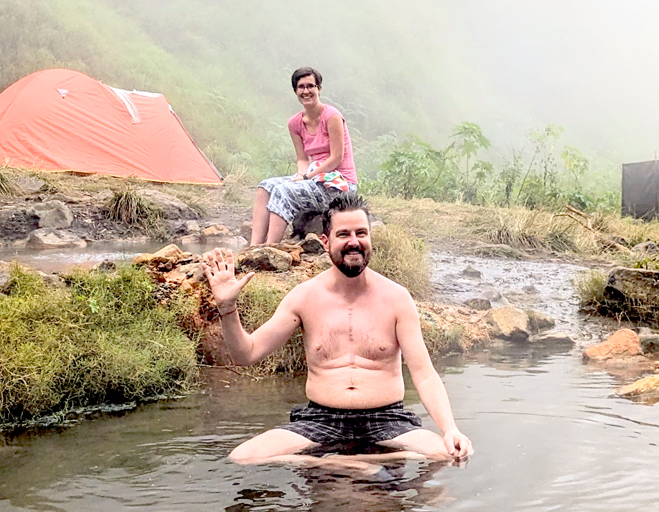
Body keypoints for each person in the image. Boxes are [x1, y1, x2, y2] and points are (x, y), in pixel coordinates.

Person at [201, 194, 472, 470]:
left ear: (370, 239)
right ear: (325, 242)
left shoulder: (397, 298)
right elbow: (246, 353)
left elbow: (424, 375)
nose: (354, 241)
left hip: (388, 420)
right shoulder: (304, 297)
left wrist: (450, 428)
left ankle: (345, 461)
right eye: (344, 234)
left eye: (361, 233)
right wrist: (227, 308)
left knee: (450, 453)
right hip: (320, 420)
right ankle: (349, 464)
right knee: (243, 456)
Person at [250, 67, 358, 246]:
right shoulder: (295, 123)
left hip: (340, 184)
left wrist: (307, 177)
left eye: (310, 86)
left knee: (282, 191)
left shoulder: (332, 117)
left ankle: (269, 248)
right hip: (314, 177)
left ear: (319, 88)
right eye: (301, 87)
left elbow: (336, 158)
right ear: (295, 91)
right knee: (265, 187)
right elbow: (302, 159)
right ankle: (254, 247)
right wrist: (301, 175)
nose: (306, 91)